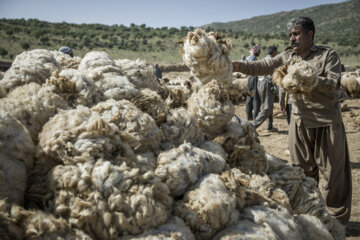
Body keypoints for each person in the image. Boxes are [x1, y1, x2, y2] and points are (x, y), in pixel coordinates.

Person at [233, 16, 352, 224]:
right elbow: (263, 66)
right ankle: (309, 216)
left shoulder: (327, 55)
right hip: (299, 123)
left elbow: (334, 83)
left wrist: (308, 78)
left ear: (310, 34)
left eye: (296, 34)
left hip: (326, 121)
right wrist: (238, 65)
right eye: (290, 35)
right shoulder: (288, 56)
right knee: (301, 173)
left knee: (334, 177)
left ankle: (336, 222)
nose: (292, 38)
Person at [251, 46, 278, 132]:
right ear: (273, 52)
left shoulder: (263, 59)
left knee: (266, 105)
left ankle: (269, 126)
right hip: (267, 83)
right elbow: (273, 76)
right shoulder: (272, 61)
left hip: (260, 83)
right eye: (276, 52)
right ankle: (253, 126)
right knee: (267, 107)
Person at [245, 45, 261, 120]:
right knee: (256, 97)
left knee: (249, 96)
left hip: (249, 79)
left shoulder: (248, 57)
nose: (259, 52)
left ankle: (249, 116)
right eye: (259, 51)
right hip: (254, 78)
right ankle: (255, 116)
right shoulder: (254, 58)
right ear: (256, 51)